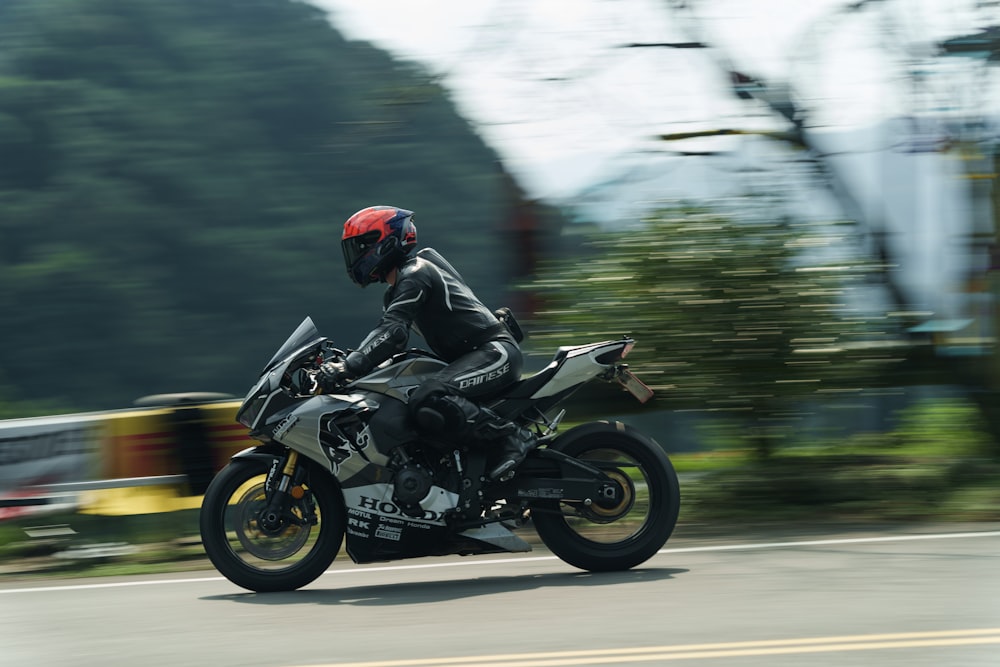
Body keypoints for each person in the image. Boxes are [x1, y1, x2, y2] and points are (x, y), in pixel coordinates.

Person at [317, 205, 537, 480]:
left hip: (493, 352)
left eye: (362, 246)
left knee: (430, 395)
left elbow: (392, 332)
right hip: (474, 357)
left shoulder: (416, 272)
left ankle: (512, 438)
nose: (356, 255)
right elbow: (391, 342)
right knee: (410, 397)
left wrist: (347, 366)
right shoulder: (397, 289)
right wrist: (354, 365)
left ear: (386, 240)